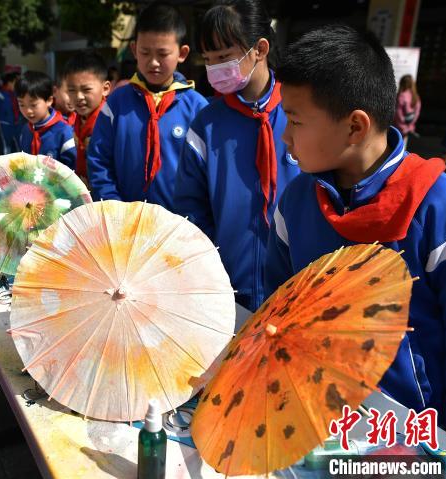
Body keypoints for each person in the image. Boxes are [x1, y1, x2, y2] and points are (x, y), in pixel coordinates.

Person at [265, 25, 446, 434]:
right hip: (317, 420)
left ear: (355, 126)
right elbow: (276, 309)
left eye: (296, 121)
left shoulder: (441, 208)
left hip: (414, 435)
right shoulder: (297, 203)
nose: (285, 137)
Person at [173, 0, 299, 311]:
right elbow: (191, 207)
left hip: (297, 288)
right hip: (228, 291)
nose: (215, 68)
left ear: (260, 49)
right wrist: (208, 271)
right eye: (209, 59)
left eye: (225, 57)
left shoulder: (303, 112)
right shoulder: (206, 124)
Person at [87, 1, 208, 210]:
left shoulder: (197, 108)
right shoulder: (116, 103)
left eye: (162, 54)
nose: (153, 62)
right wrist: (114, 206)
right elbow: (99, 160)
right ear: (134, 50)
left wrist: (193, 219)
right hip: (124, 220)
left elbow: (207, 172)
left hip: (180, 226)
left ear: (182, 53)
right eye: (145, 53)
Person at [64, 51, 111, 185]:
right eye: (72, 90)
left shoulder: (111, 122)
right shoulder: (78, 118)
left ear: (105, 88)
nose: (79, 96)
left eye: (86, 90)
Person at [16, 70, 77, 169]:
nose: (28, 111)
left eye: (33, 105)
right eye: (21, 104)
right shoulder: (26, 130)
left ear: (49, 100)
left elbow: (73, 171)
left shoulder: (64, 132)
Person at [0, 71, 22, 154]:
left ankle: (21, 162)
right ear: (9, 83)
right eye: (15, 83)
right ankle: (5, 164)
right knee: (6, 144)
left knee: (20, 144)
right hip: (5, 124)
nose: (17, 85)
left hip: (17, 123)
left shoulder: (16, 94)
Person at [394, 74, 421, 146]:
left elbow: (398, 112)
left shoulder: (401, 95)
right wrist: (410, 125)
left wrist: (403, 125)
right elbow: (417, 112)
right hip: (409, 126)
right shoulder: (415, 96)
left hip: (400, 126)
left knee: (396, 144)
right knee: (403, 144)